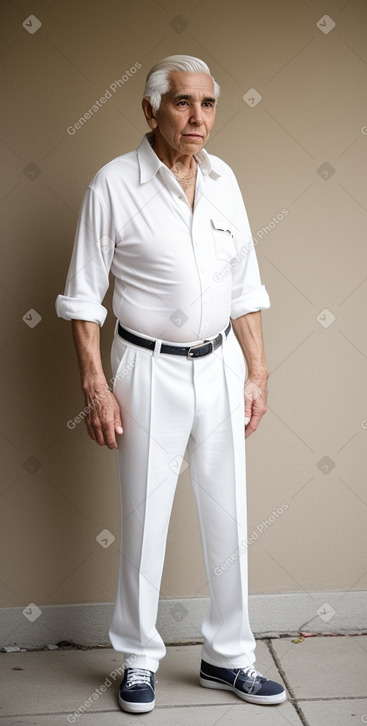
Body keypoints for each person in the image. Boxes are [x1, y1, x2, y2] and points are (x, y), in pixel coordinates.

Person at [56, 54, 286, 714]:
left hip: (220, 365)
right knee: (144, 514)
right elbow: (81, 301)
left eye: (208, 104)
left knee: (228, 515)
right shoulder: (112, 185)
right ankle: (137, 657)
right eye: (183, 102)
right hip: (144, 366)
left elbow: (244, 288)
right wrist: (96, 389)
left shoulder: (224, 181)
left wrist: (258, 373)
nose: (197, 117)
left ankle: (228, 657)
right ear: (150, 110)